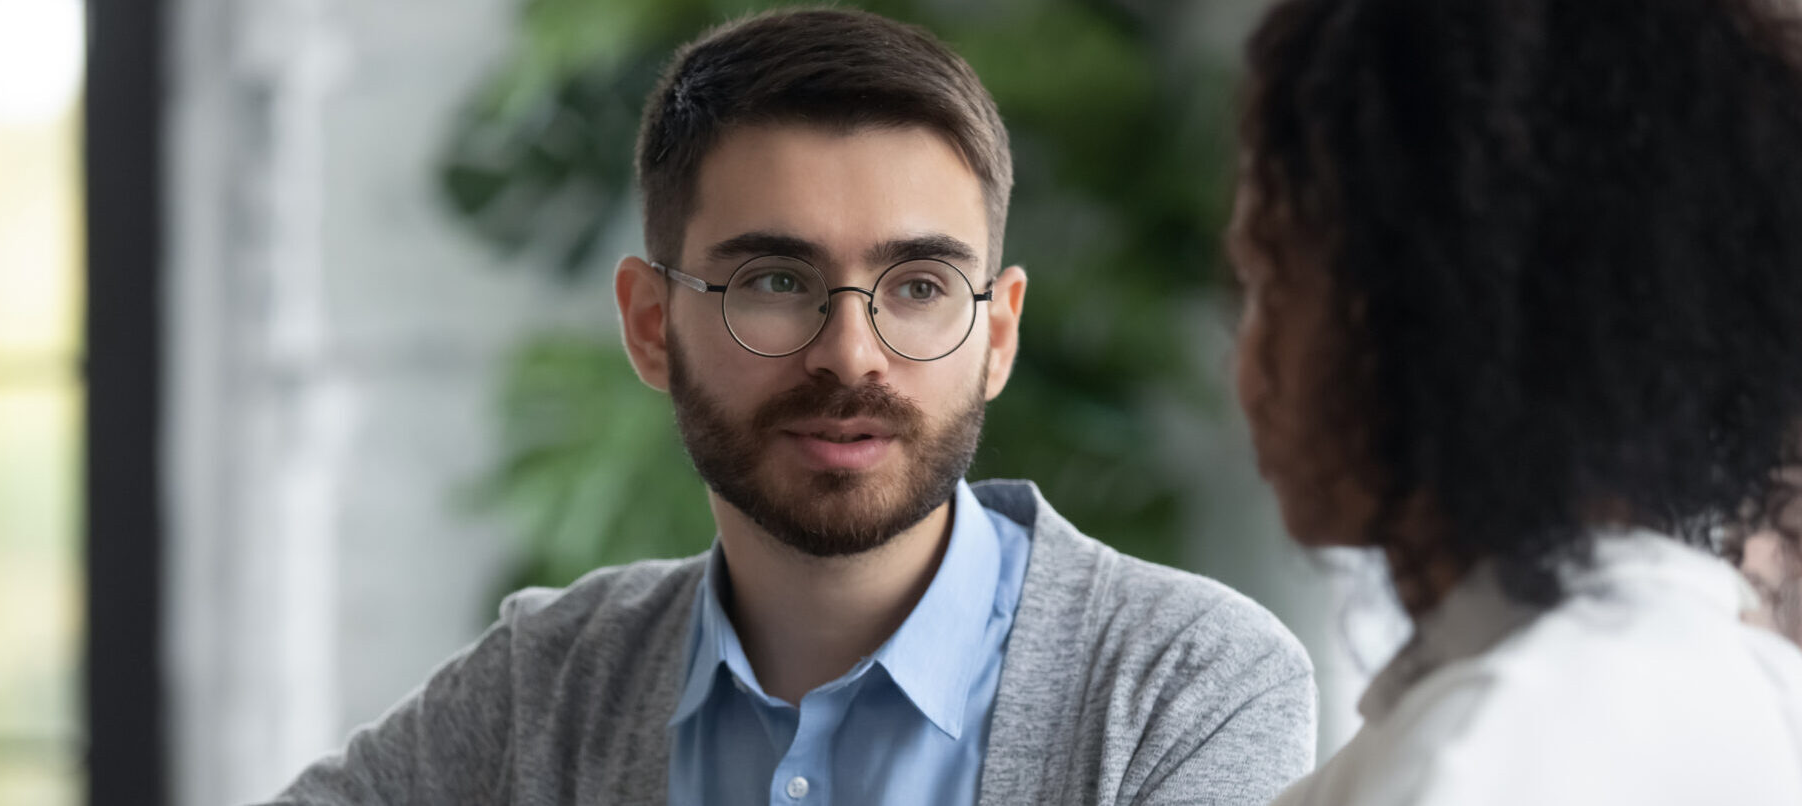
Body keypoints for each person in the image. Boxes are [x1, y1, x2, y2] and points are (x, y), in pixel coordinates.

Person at [267, 8, 1315, 805]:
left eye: (918, 287)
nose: (851, 354)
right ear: (647, 323)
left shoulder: (1185, 685)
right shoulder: (551, 680)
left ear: (997, 333)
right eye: (774, 281)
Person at [1226, 0, 1802, 803]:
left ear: (1430, 311)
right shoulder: (1759, 693)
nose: (1246, 357)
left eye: (1271, 280)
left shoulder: (1477, 756)